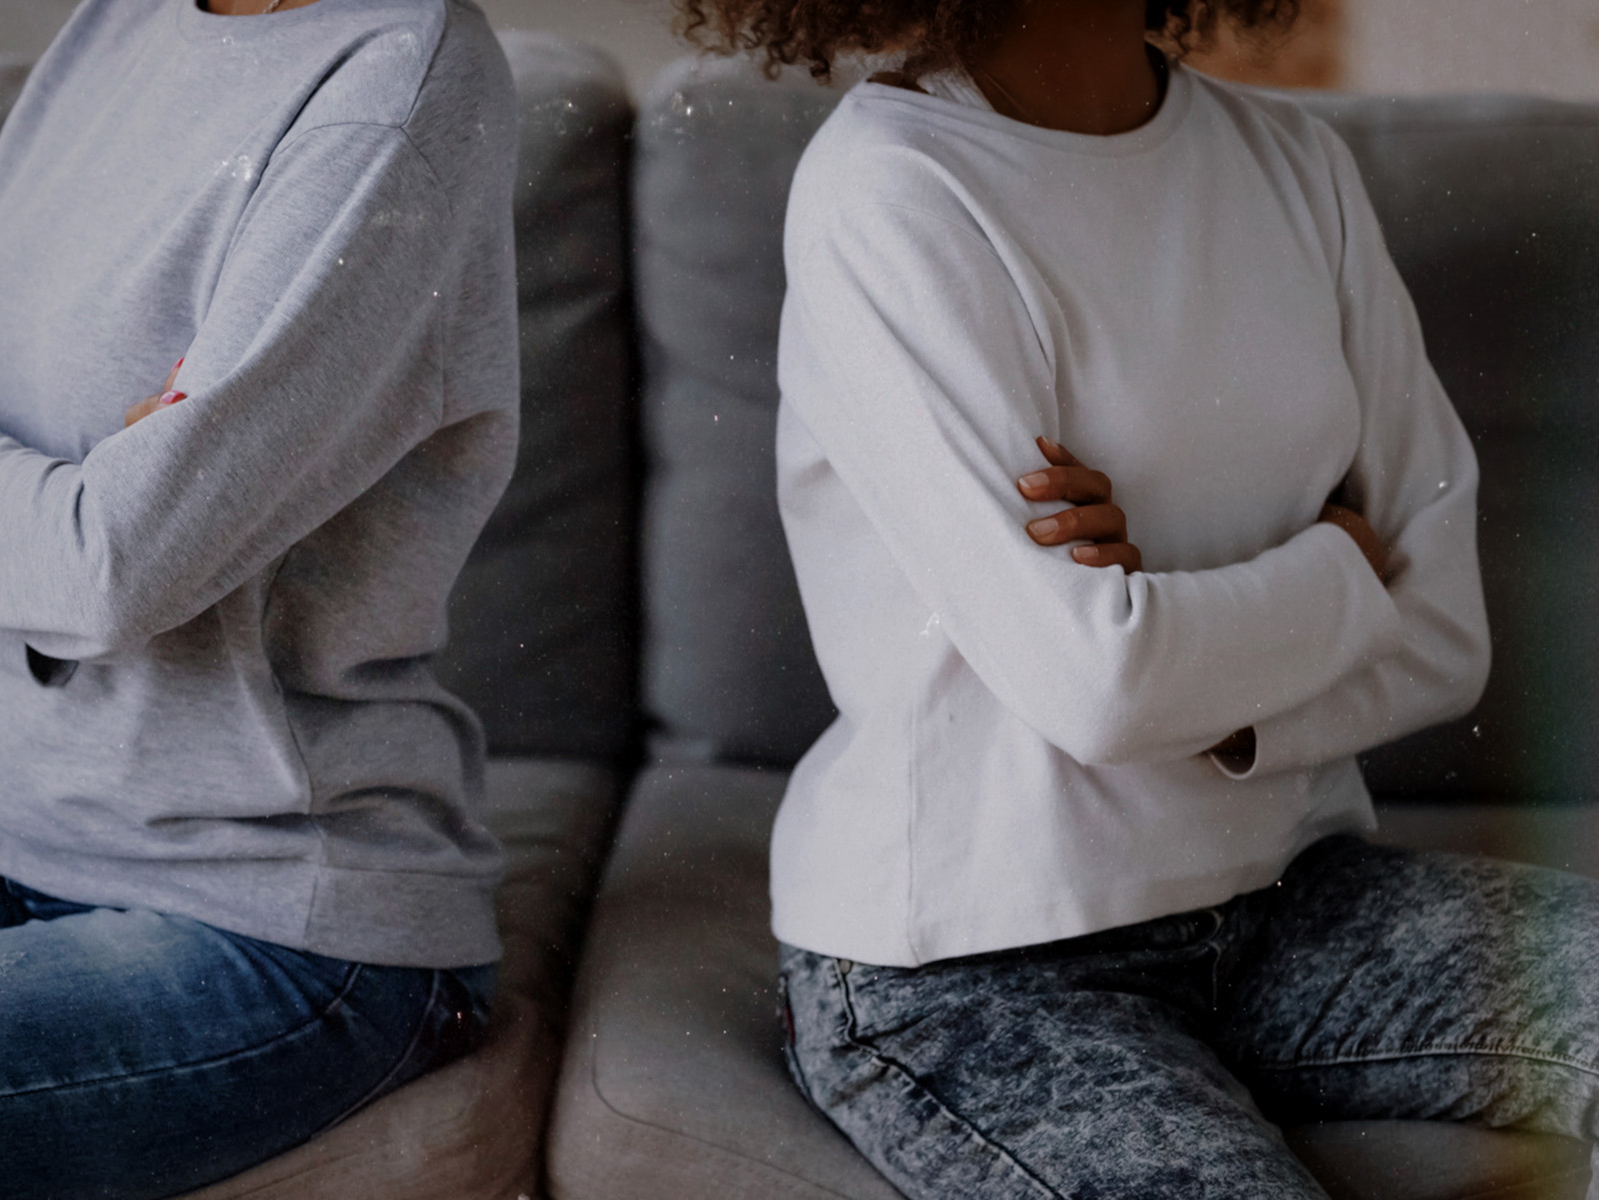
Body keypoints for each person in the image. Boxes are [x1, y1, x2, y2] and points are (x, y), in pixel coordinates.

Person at [680, 1, 1599, 1196]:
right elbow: (1101, 691)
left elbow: (1445, 634)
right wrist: (1335, 565)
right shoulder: (892, 191)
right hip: (979, 966)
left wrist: (1201, 675)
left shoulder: (1294, 167)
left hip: (1284, 900)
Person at [0, 0, 518, 1195]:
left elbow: (107, 569)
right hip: (16, 841)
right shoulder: (118, 25)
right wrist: (22, 489)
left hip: (278, 929)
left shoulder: (398, 81)